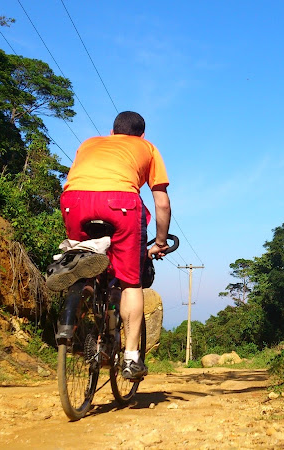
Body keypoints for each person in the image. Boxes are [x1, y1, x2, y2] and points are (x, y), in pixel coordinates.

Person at [56, 111, 171, 379]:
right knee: (131, 282)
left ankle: (72, 318)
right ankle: (131, 359)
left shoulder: (88, 143)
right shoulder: (147, 147)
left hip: (73, 200)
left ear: (112, 132)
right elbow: (161, 203)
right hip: (120, 203)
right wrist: (161, 242)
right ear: (142, 135)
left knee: (83, 263)